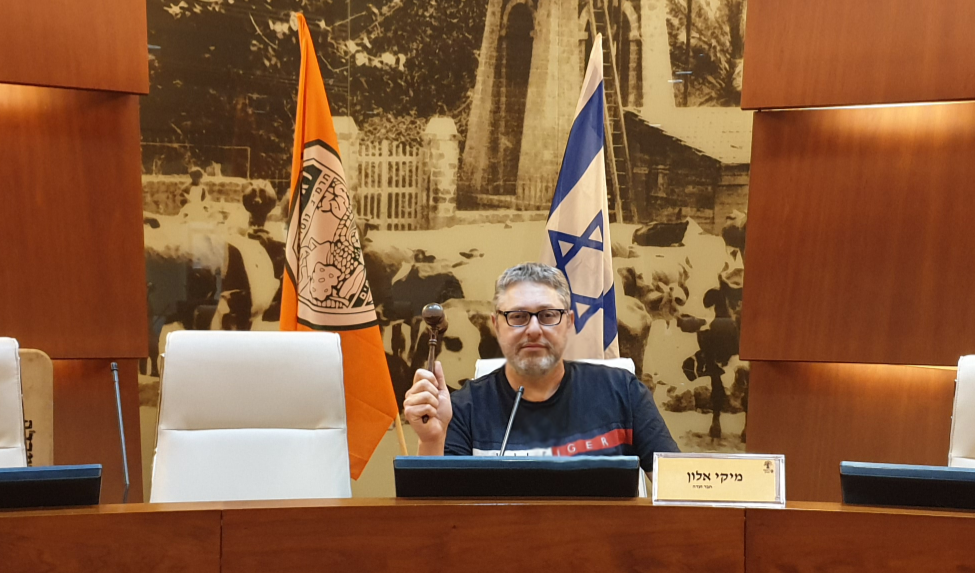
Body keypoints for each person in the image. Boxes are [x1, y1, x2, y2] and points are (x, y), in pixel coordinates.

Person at [403, 262, 679, 472]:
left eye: (548, 315)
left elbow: (680, 492)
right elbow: (439, 521)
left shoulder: (624, 393)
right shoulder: (463, 409)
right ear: (496, 326)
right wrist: (431, 440)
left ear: (569, 323)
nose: (534, 329)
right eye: (518, 316)